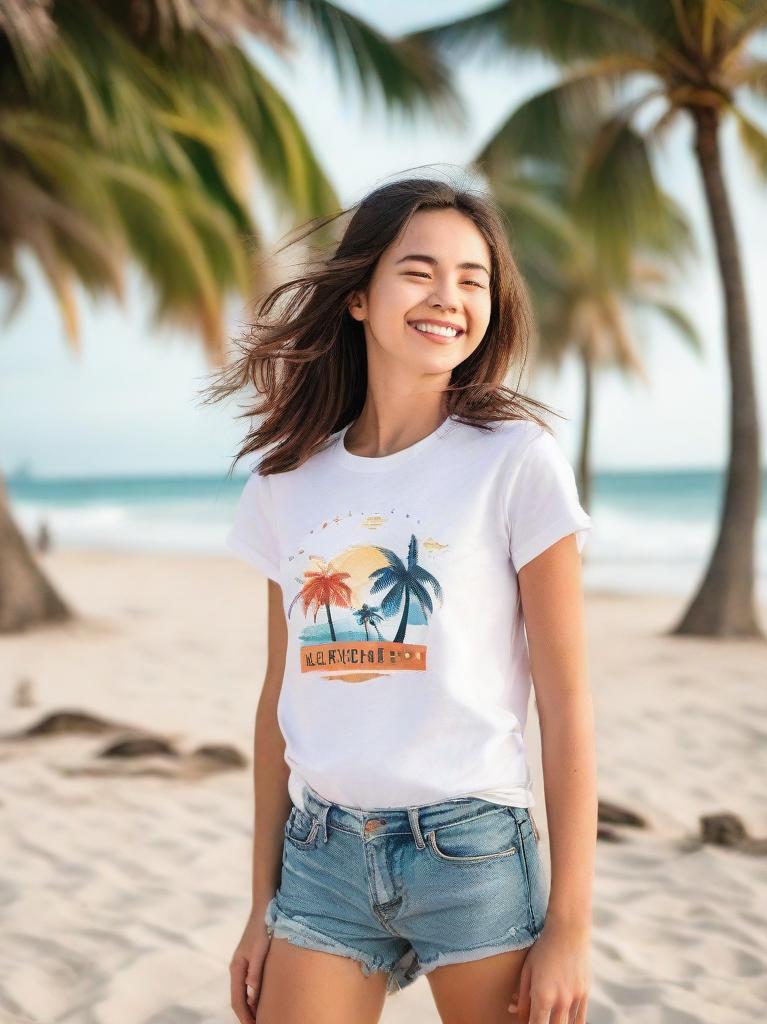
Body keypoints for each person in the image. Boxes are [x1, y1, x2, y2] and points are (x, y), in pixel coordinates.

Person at [205, 172, 595, 1024]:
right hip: (322, 856)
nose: (448, 298)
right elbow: (279, 703)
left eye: (473, 278)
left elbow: (565, 706)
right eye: (419, 271)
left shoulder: (515, 460)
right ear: (359, 297)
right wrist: (261, 902)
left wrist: (569, 925)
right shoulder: (287, 481)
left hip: (472, 853)